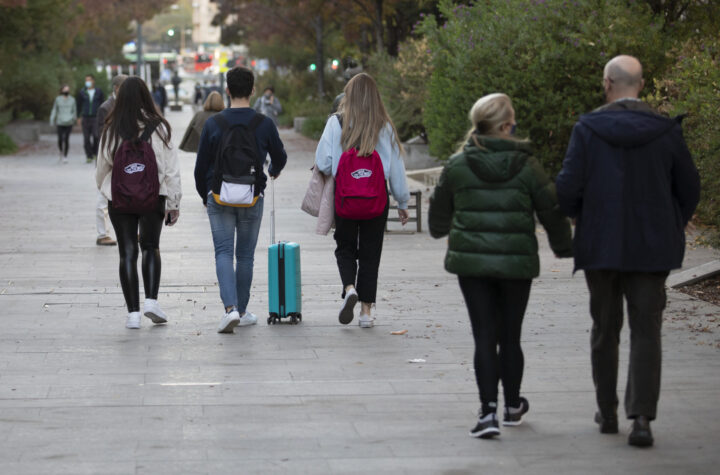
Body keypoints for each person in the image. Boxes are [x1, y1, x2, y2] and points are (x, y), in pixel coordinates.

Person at [555, 55, 700, 447]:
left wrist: (579, 218)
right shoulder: (665, 130)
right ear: (641, 83)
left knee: (605, 329)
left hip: (601, 245)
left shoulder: (587, 129)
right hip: (653, 248)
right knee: (646, 331)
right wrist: (670, 223)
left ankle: (607, 412)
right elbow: (689, 188)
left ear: (607, 83)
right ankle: (641, 419)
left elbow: (567, 188)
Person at [428, 93, 572, 439]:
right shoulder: (527, 165)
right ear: (508, 125)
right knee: (510, 336)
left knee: (483, 335)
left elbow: (437, 220)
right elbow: (550, 210)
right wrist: (564, 247)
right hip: (515, 262)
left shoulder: (457, 165)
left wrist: (448, 227)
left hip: (472, 263)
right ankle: (511, 406)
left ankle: (487, 412)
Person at [194, 66, 287, 334]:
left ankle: (229, 309)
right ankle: (243, 311)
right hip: (251, 197)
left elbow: (200, 167)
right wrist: (272, 171)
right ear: (253, 90)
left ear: (227, 90)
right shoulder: (264, 123)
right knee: (245, 256)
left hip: (219, 196)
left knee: (223, 252)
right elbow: (279, 157)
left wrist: (205, 195)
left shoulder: (214, 123)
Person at [315, 73, 410, 329]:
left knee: (345, 247)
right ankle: (366, 312)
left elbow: (324, 162)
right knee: (371, 254)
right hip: (376, 200)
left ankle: (349, 288)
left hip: (345, 198)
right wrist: (402, 202)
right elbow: (396, 170)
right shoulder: (385, 125)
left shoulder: (336, 123)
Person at [96, 77, 182, 329]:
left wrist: (107, 189)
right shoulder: (160, 126)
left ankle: (132, 314)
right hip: (154, 196)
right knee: (150, 247)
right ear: (147, 95)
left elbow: (102, 166)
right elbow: (171, 169)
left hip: (119, 198)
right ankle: (152, 302)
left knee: (127, 252)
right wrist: (173, 202)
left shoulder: (112, 128)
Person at [93, 74, 128, 247]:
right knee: (103, 197)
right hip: (109, 159)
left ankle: (131, 230)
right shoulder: (106, 108)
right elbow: (100, 135)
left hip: (127, 159)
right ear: (116, 88)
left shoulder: (128, 106)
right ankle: (102, 233)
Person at [76, 74, 105, 163]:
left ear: (93, 81)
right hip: (85, 117)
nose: (87, 82)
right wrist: (78, 117)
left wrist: (103, 117)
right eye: (86, 80)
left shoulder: (99, 92)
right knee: (86, 138)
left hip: (96, 117)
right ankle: (89, 156)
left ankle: (95, 153)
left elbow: (103, 104)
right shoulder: (82, 92)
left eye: (89, 80)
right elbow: (78, 105)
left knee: (96, 136)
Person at [49, 84, 76, 164]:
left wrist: (74, 119)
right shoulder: (58, 99)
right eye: (65, 89)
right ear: (61, 90)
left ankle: (65, 156)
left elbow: (74, 111)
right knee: (60, 139)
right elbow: (54, 109)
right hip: (60, 121)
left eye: (68, 89)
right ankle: (61, 151)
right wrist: (52, 119)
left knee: (66, 139)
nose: (66, 91)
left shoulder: (72, 100)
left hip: (69, 122)